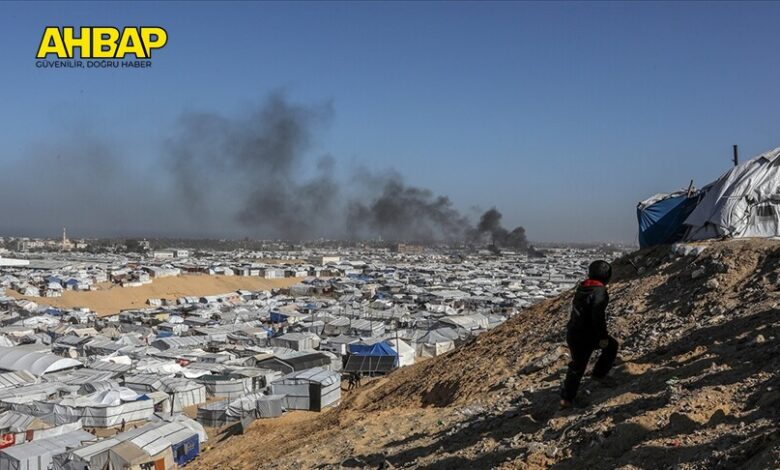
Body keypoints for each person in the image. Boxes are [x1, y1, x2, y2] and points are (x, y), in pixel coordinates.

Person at [560, 260, 619, 409]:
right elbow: (597, 317)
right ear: (607, 276)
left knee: (577, 366)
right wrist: (603, 336)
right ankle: (598, 375)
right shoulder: (599, 292)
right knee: (610, 346)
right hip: (587, 336)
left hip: (573, 333)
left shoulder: (583, 287)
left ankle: (567, 399)